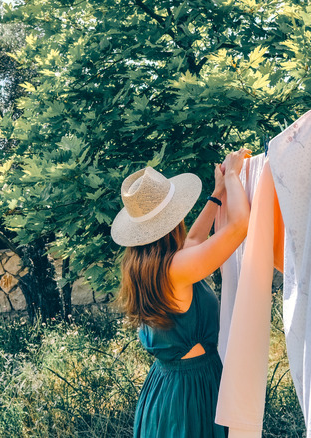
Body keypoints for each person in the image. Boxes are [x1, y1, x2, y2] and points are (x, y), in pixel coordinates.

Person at [110, 147, 252, 437]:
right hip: (192, 391)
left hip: (164, 389)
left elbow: (196, 239)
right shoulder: (178, 269)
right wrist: (235, 175)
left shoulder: (144, 266)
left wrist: (218, 193)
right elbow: (239, 226)